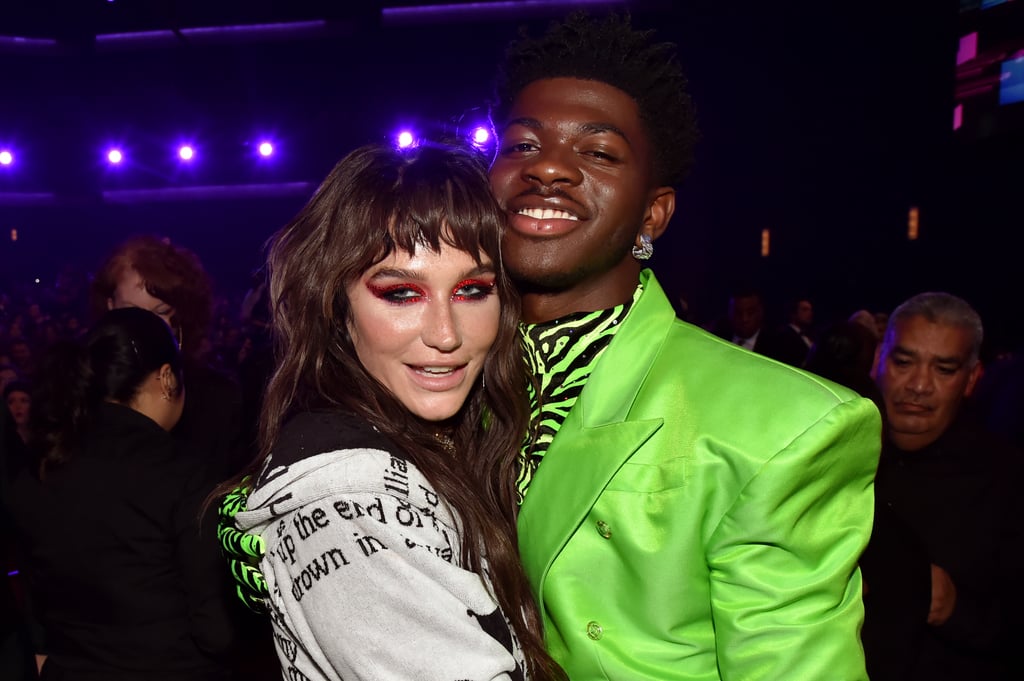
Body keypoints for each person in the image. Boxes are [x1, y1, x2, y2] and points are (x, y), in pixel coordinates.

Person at [223, 12, 881, 680]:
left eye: (598, 153)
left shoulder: (783, 424)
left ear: (653, 213)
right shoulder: (443, 374)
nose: (551, 171)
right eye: (523, 145)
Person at [221, 142, 562, 680]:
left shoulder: (456, 440)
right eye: (402, 293)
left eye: (473, 290)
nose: (446, 335)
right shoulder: (351, 497)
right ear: (338, 305)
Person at [8, 307, 237, 681]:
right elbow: (215, 632)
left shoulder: (43, 466)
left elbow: (37, 605)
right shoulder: (182, 471)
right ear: (166, 378)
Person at [865, 292, 1021, 680]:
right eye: (903, 362)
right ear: (877, 363)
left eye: (944, 369)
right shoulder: (829, 458)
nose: (919, 385)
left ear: (972, 379)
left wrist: (956, 609)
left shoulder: (1007, 480)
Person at [90, 236, 247, 478]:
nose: (145, 325)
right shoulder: (86, 387)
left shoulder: (219, 398)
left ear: (181, 314)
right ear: (109, 306)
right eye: (131, 311)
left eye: (160, 312)